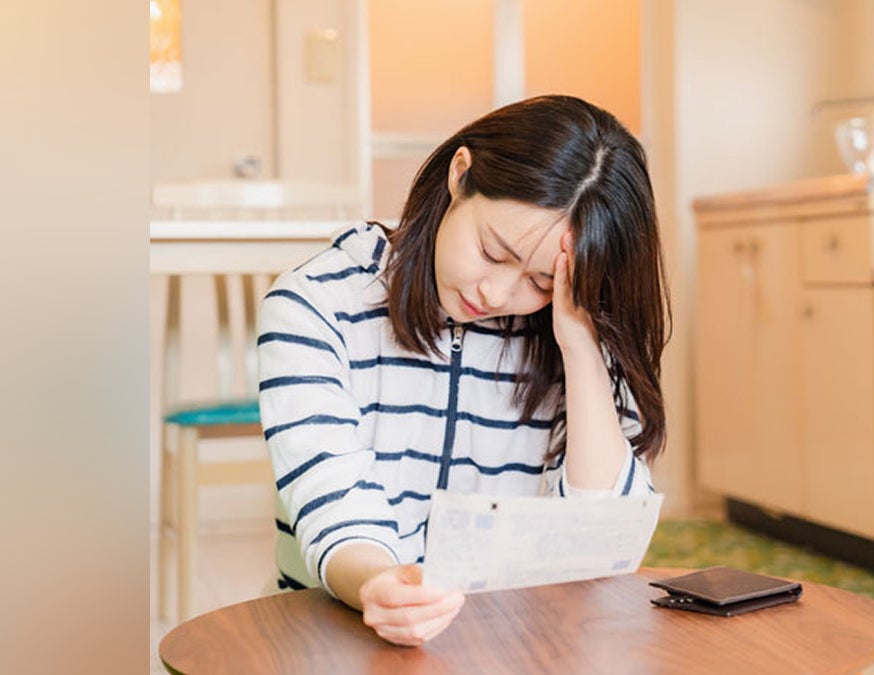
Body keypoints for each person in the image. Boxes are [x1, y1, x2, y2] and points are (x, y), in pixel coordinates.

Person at [257, 95, 670, 647]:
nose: (496, 293)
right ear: (460, 175)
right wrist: (381, 586)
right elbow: (333, 499)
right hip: (338, 635)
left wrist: (579, 345)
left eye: (542, 281)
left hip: (509, 644)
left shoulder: (572, 325)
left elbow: (600, 541)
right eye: (492, 250)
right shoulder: (315, 306)